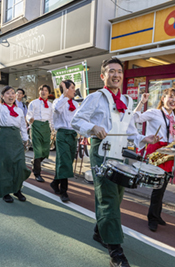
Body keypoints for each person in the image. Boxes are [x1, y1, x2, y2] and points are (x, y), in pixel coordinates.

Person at [71, 58, 160, 267]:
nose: (116, 75)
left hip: (120, 154)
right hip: (101, 152)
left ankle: (99, 231)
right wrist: (93, 128)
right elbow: (76, 120)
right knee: (109, 197)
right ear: (103, 76)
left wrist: (142, 139)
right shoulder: (95, 97)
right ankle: (116, 252)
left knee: (116, 196)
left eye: (119, 71)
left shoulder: (128, 101)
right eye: (111, 71)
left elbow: (129, 130)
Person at [133, 88, 175, 232]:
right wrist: (141, 102)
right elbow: (135, 118)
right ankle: (152, 218)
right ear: (163, 98)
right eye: (170, 97)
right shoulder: (153, 113)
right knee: (157, 186)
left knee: (163, 185)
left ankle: (157, 214)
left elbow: (174, 136)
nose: (173, 100)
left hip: (169, 151)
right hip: (156, 151)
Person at [0, 80, 31, 203]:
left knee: (19, 165)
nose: (11, 96)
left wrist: (25, 139)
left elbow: (22, 126)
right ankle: (5, 192)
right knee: (4, 165)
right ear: (3, 96)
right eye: (8, 93)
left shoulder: (20, 110)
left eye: (13, 93)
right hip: (3, 137)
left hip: (16, 138)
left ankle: (17, 189)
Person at [50, 80, 78, 202]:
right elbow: (56, 109)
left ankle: (55, 182)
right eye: (72, 87)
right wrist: (64, 96)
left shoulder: (76, 104)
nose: (74, 90)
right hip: (62, 134)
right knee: (65, 162)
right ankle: (64, 191)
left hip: (73, 134)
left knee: (67, 161)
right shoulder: (58, 102)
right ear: (66, 89)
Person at [26, 84, 54, 183]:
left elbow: (51, 118)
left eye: (46, 90)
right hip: (36, 126)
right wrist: (30, 119)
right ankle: (37, 173)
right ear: (39, 91)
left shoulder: (51, 105)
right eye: (42, 90)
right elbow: (28, 115)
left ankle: (34, 162)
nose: (43, 92)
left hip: (46, 128)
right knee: (38, 151)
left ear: (49, 93)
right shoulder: (33, 103)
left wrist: (53, 130)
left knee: (45, 151)